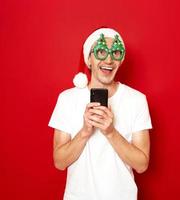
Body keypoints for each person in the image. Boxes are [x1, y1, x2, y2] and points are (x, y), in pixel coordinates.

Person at [48, 27, 152, 200]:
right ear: (89, 59)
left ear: (121, 60)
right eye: (101, 51)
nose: (109, 59)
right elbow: (60, 162)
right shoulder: (67, 99)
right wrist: (84, 133)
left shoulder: (136, 100)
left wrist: (110, 132)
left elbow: (141, 165)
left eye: (116, 53)